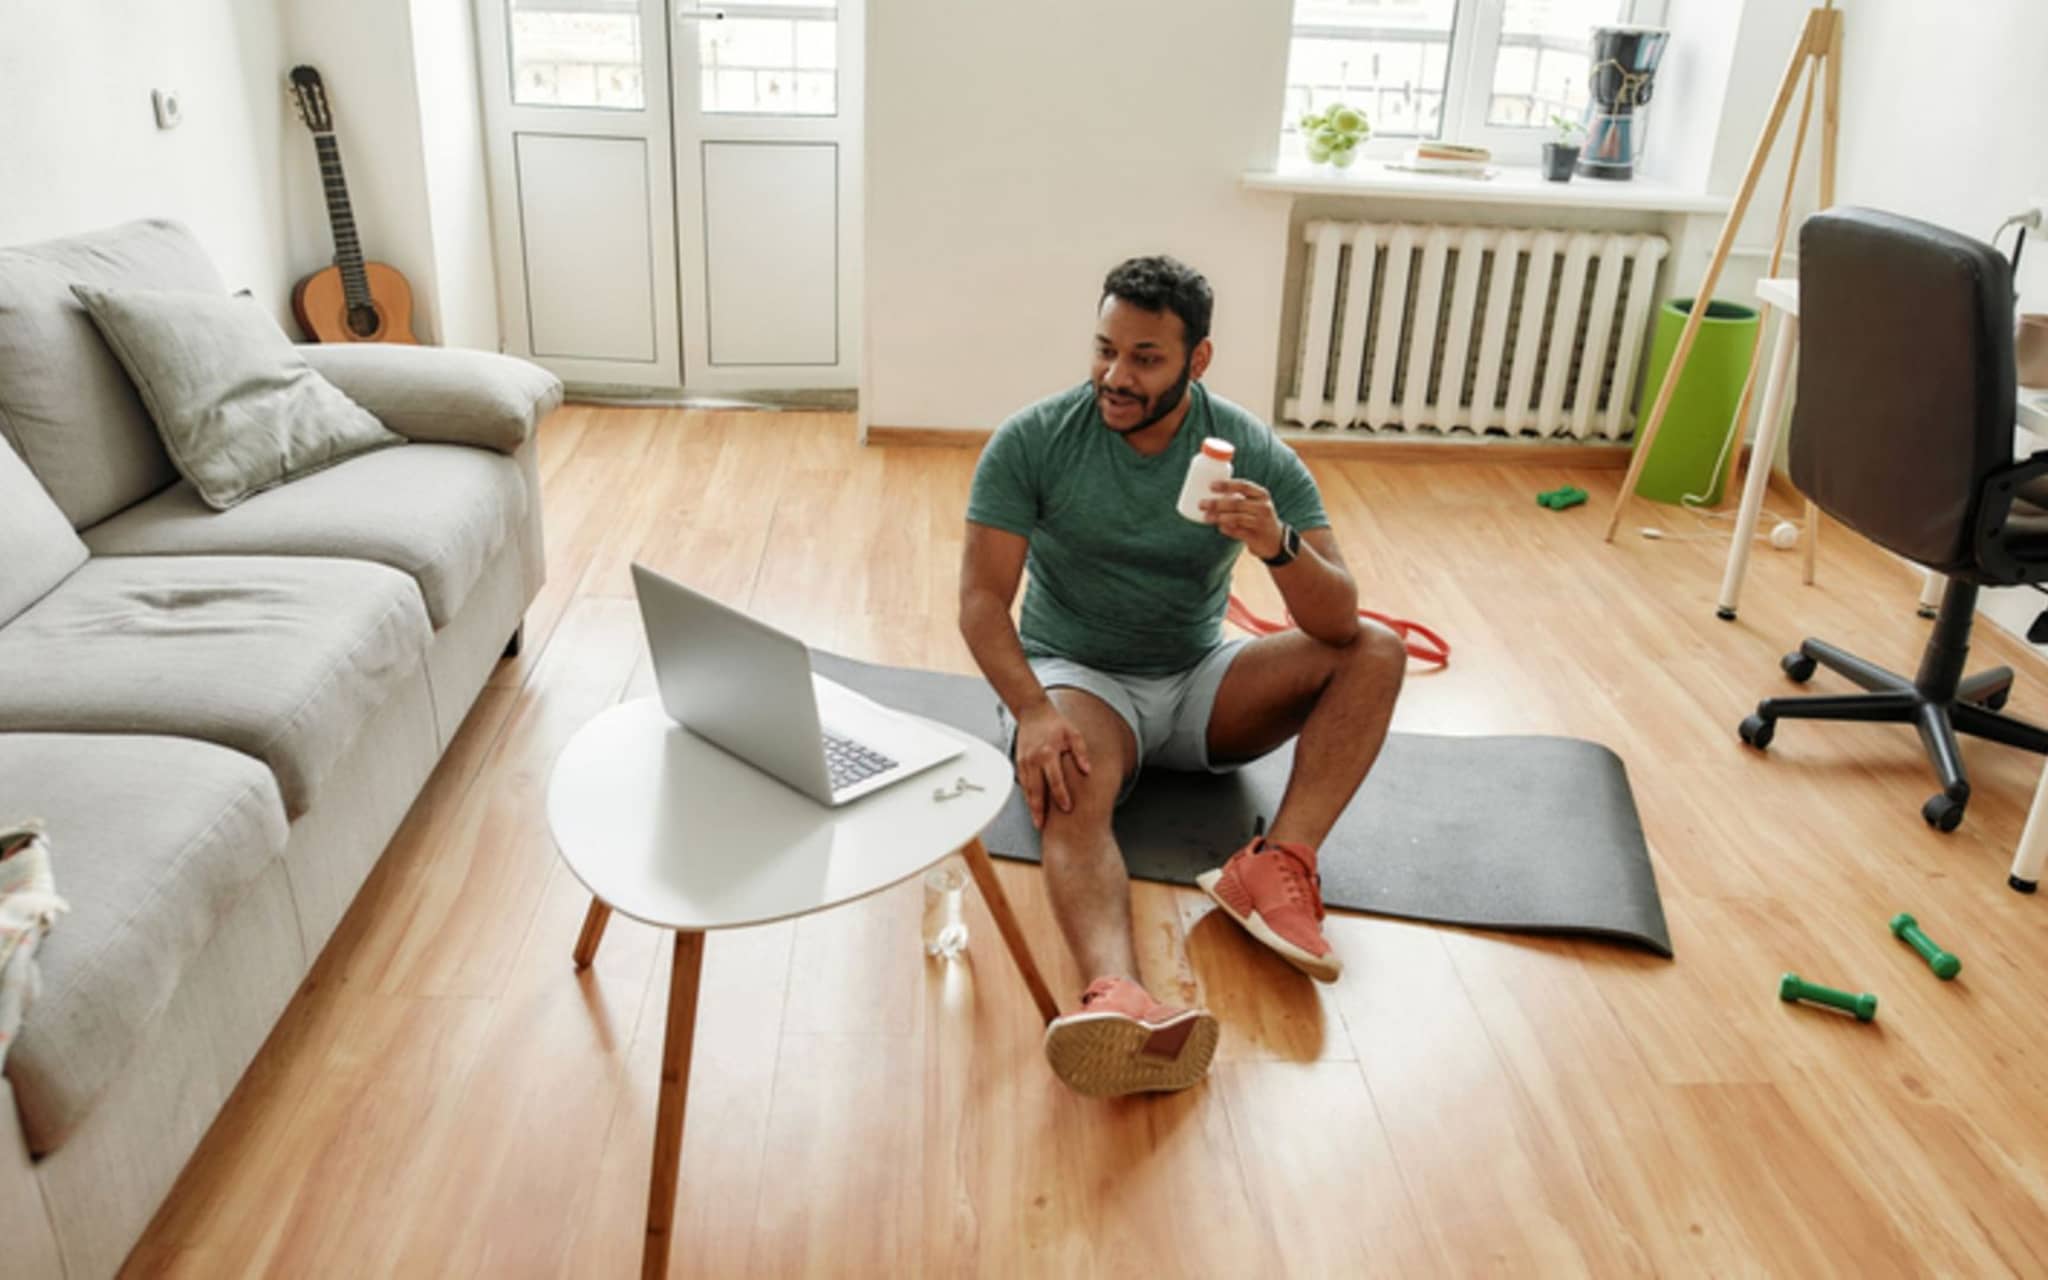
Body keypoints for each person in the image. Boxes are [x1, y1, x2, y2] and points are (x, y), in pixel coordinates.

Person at [957, 255, 1406, 1098]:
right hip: (1080, 679)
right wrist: (1032, 711)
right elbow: (981, 602)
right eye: (1105, 350)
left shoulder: (1249, 449)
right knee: (1071, 776)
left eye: (1145, 359)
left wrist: (1277, 545)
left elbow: (1339, 620)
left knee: (1379, 649)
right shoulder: (1035, 439)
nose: (1115, 376)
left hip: (1202, 677)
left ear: (1197, 361)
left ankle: (1276, 863)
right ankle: (1118, 995)